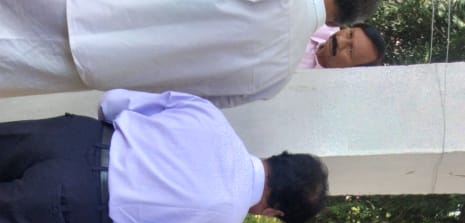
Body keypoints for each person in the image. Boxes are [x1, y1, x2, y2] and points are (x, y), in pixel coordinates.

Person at [0, 91, 328, 223]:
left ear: (279, 156)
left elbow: (113, 101)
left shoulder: (211, 117)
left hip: (73, 138)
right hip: (75, 207)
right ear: (275, 214)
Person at [1, 0, 380, 103]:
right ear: (347, 21)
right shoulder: (277, 78)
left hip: (106, 11)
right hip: (108, 68)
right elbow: (196, 98)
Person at [299, 22, 385, 69]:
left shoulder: (309, 84)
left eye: (350, 51)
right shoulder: (324, 22)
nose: (340, 41)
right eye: (350, 34)